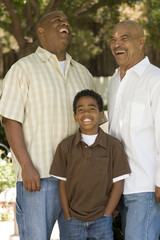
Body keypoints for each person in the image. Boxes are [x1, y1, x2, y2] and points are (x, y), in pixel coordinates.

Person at [0, 11, 97, 240]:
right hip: (38, 178)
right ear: (41, 32)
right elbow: (11, 120)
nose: (64, 23)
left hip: (77, 180)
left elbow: (95, 127)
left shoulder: (83, 73)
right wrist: (26, 166)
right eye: (57, 21)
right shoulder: (23, 69)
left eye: (66, 21)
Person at [50, 89, 131, 240]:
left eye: (92, 109)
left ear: (101, 114)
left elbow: (118, 183)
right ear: (75, 116)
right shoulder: (65, 147)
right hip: (73, 220)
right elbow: (62, 184)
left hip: (102, 220)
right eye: (81, 110)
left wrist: (107, 214)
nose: (86, 113)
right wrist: (67, 215)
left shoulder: (114, 145)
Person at [108, 20, 160, 240]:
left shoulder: (155, 79)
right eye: (113, 39)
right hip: (118, 187)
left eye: (124, 38)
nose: (117, 44)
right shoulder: (113, 81)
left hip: (145, 186)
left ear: (141, 42)